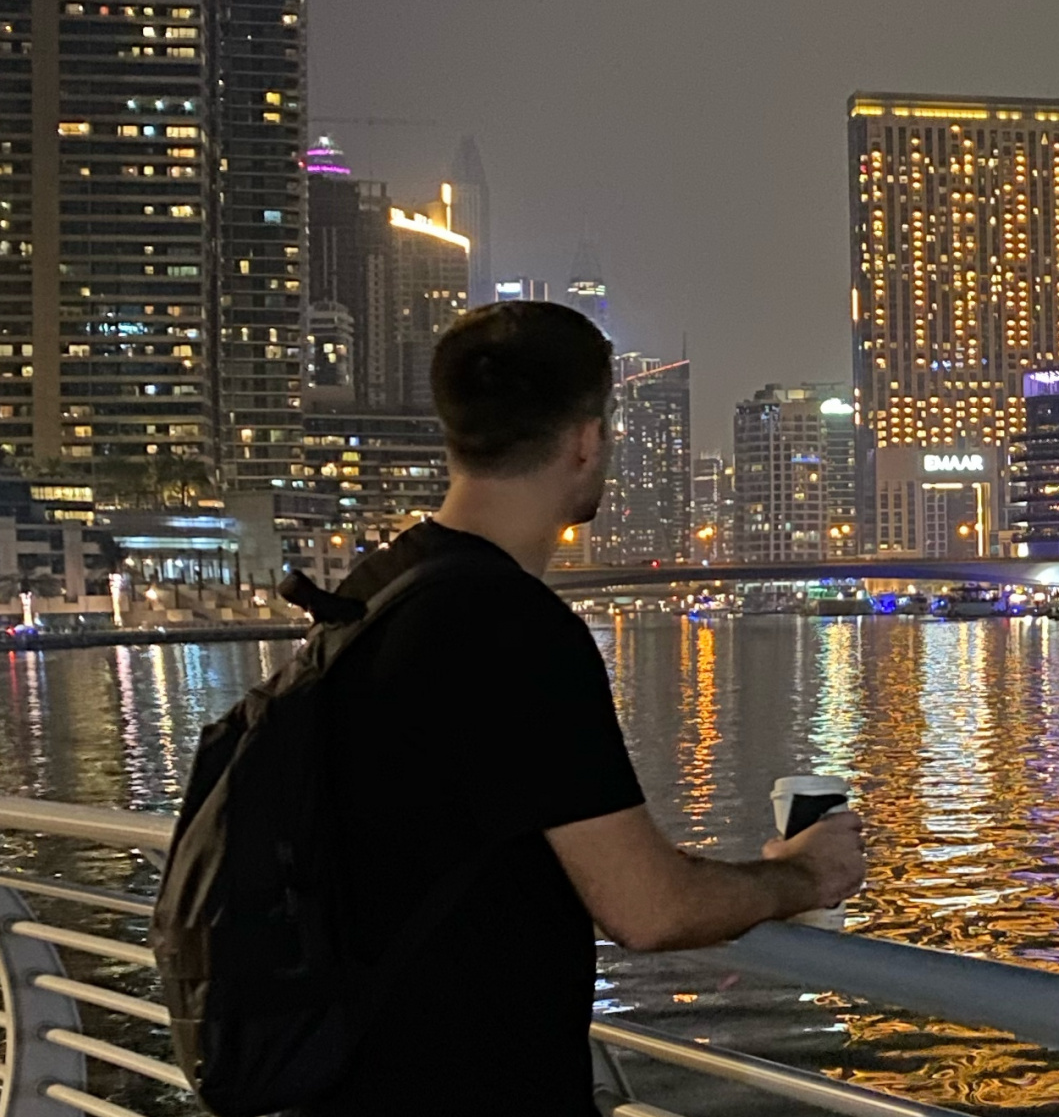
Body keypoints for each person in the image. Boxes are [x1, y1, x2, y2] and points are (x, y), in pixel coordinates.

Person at [302, 301, 864, 1114]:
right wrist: (806, 874)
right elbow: (650, 911)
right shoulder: (515, 631)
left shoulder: (371, 594)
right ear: (588, 439)